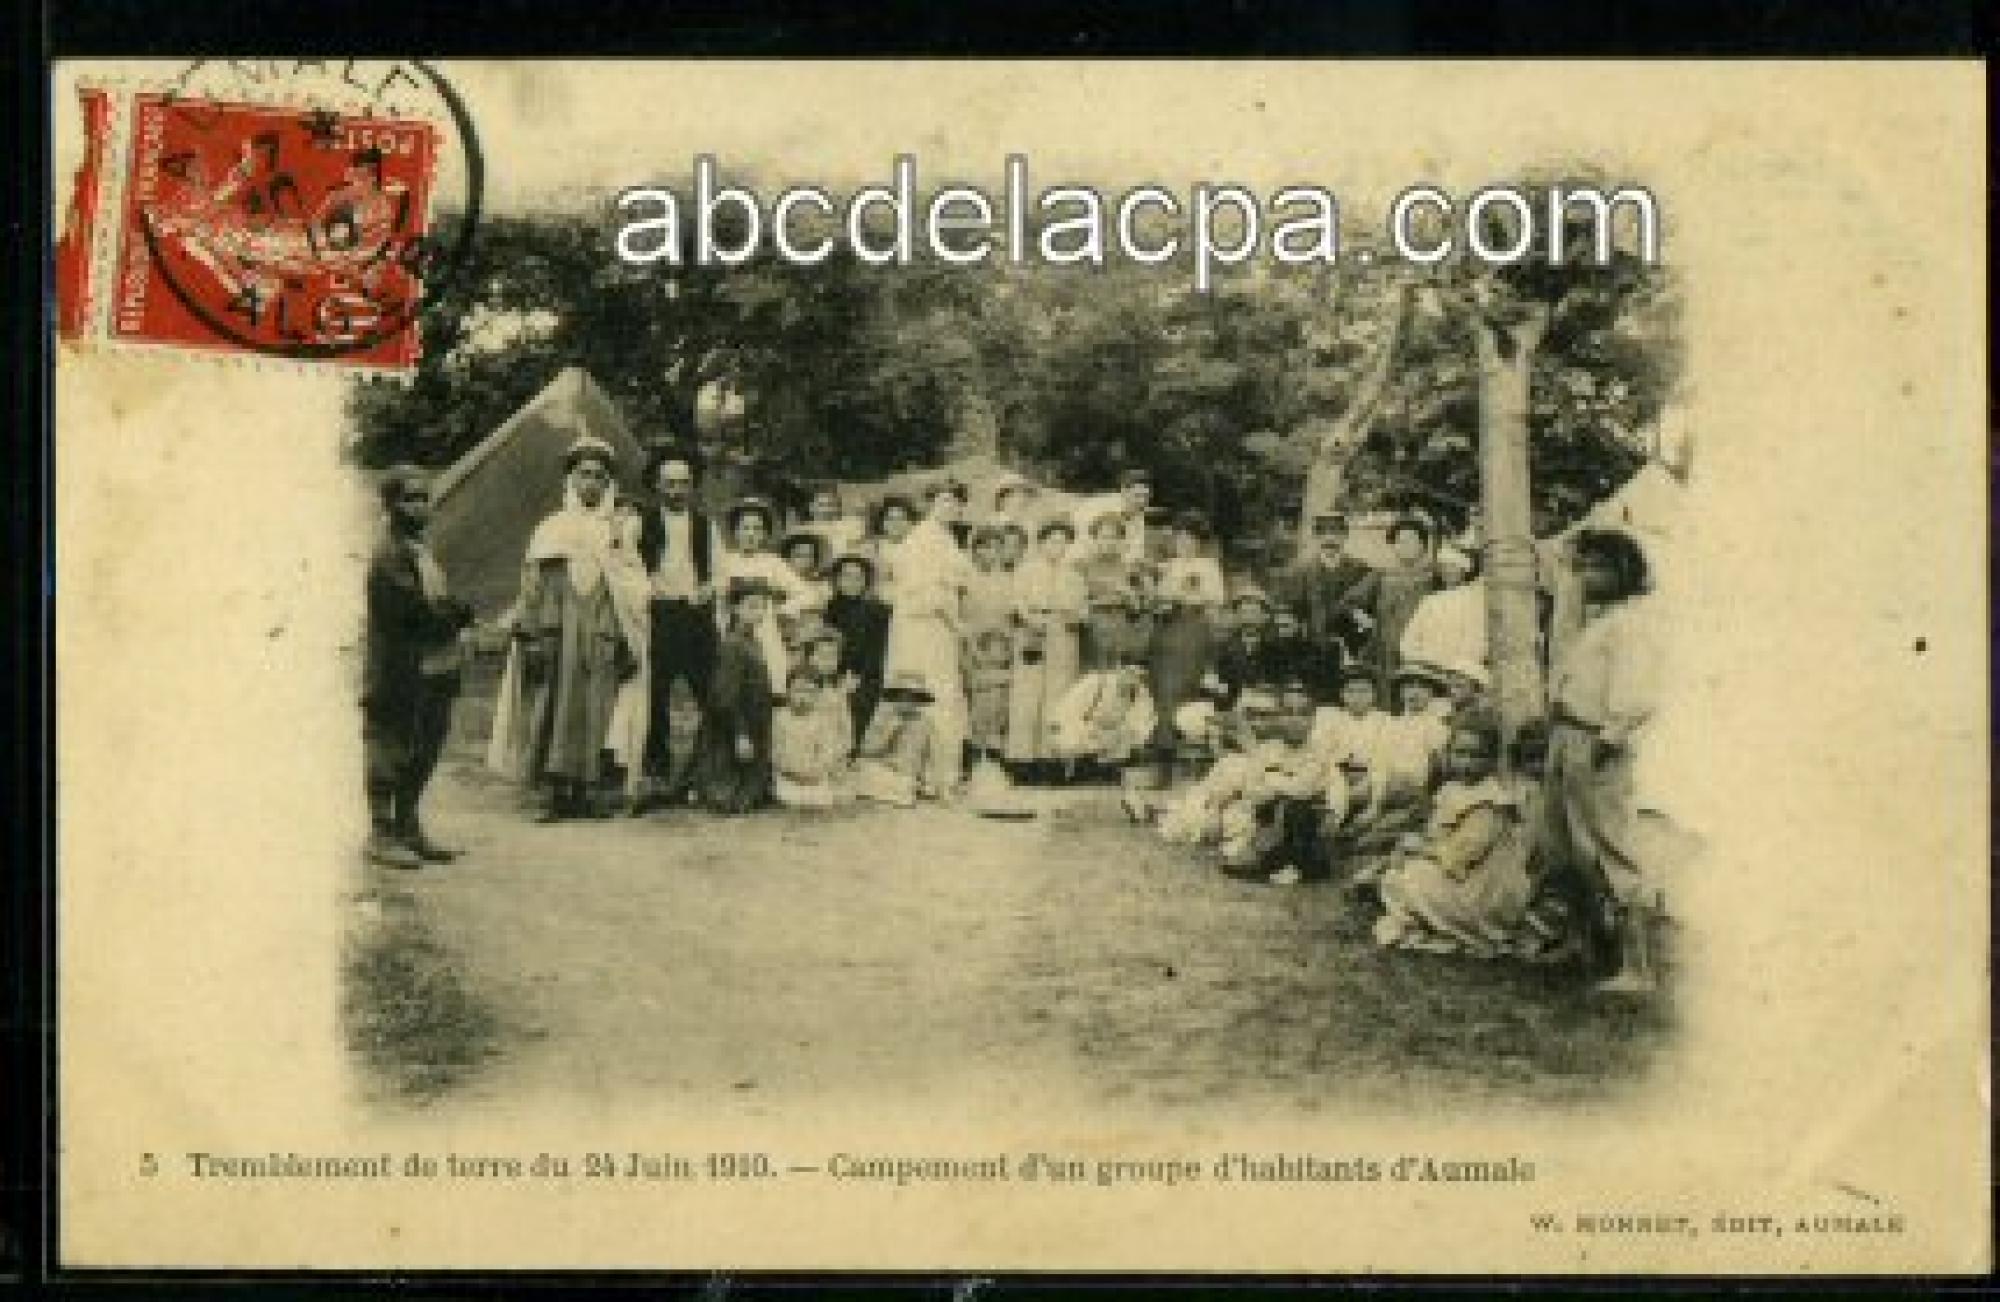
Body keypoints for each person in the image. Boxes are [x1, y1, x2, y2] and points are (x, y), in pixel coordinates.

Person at [487, 435, 652, 821]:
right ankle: (555, 794)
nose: (590, 483)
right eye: (584, 475)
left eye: (598, 476)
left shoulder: (619, 530)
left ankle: (586, 792)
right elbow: (534, 584)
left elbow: (631, 579)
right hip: (558, 626)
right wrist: (534, 631)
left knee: (598, 710)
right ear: (571, 480)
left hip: (602, 628)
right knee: (556, 708)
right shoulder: (552, 528)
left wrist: (627, 628)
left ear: (609, 482)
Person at [1546, 526, 1665, 995]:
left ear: (1623, 573)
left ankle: (1639, 967)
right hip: (1568, 735)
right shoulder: (1594, 622)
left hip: (1596, 741)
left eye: (1597, 567)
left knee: (1611, 847)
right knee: (1565, 847)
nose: (1584, 575)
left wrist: (1608, 739)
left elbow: (1637, 697)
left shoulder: (1632, 624)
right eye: (1583, 566)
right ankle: (1585, 946)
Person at [362, 466, 475, 869]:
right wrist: (459, 615)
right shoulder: (389, 553)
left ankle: (408, 825)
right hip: (400, 666)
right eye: (411, 498)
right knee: (391, 745)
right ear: (391, 504)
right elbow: (413, 613)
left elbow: (438, 601)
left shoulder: (418, 547)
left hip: (434, 665)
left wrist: (453, 611)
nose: (421, 506)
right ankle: (381, 833)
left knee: (427, 744)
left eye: (425, 498)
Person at [1372, 716, 1534, 956]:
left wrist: (1417, 851)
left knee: (1402, 877)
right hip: (1464, 876)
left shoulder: (1488, 802)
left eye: (1476, 756)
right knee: (1401, 865)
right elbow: (1438, 837)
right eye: (1460, 754)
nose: (1466, 763)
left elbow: (1460, 856)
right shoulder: (1454, 790)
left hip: (1483, 892)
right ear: (1449, 753)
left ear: (1491, 760)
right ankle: (1418, 911)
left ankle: (1457, 924)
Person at [632, 447, 719, 812]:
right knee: (655, 692)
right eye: (669, 483)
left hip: (696, 614)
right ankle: (657, 770)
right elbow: (629, 567)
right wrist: (648, 589)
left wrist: (707, 590)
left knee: (709, 691)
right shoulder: (641, 523)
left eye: (684, 483)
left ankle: (712, 766)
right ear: (656, 485)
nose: (677, 490)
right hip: (659, 614)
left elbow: (720, 571)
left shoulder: (705, 525)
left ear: (693, 486)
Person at [883, 480, 974, 796]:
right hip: (923, 625)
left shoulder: (946, 538)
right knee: (927, 692)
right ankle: (921, 774)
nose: (952, 507)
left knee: (943, 694)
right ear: (931, 503)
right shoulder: (922, 539)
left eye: (957, 502)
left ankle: (941, 774)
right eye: (945, 500)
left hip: (940, 626)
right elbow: (925, 592)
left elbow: (955, 583)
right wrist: (955, 622)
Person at [686, 576, 780, 814]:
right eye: (752, 606)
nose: (758, 612)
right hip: (733, 724)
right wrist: (740, 734)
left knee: (756, 791)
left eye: (762, 607)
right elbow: (725, 695)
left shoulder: (753, 641)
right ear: (736, 608)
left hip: (754, 719)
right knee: (729, 798)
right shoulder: (732, 644)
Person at [1004, 518, 1087, 776]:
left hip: (1062, 634)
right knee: (1027, 695)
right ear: (1041, 544)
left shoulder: (1074, 575)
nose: (1058, 547)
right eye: (1052, 541)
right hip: (1033, 632)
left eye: (1063, 542)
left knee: (1057, 695)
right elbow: (1016, 601)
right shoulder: (1026, 571)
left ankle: (1051, 761)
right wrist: (1031, 619)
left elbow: (1084, 609)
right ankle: (1021, 762)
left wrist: (1077, 617)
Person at [1145, 510, 1227, 759]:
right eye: (1180, 539)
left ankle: (1186, 748)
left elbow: (1216, 598)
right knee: (1162, 686)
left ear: (1199, 543)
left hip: (1193, 627)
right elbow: (1157, 598)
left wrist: (1183, 597)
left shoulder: (1208, 566)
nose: (1184, 545)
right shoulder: (1169, 566)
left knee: (1187, 684)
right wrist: (1159, 598)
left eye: (1190, 540)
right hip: (1166, 628)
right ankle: (1162, 748)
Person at [713, 496, 814, 695]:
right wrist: (720, 626)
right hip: (732, 634)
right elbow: (718, 599)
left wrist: (779, 611)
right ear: (735, 531)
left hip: (765, 633)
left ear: (765, 533)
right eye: (745, 527)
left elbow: (807, 594)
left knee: (768, 687)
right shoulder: (724, 561)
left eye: (757, 528)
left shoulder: (772, 563)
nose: (750, 534)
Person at [1281, 512, 1380, 669]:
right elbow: (1292, 612)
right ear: (1316, 537)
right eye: (1323, 533)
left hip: (1352, 648)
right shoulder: (1301, 572)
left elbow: (1372, 611)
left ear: (1344, 536)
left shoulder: (1361, 570)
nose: (1329, 539)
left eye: (1335, 533)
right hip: (1313, 650)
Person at [821, 553, 891, 745]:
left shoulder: (878, 610)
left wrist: (857, 676)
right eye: (846, 576)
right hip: (835, 671)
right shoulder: (831, 607)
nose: (851, 582)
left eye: (857, 577)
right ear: (837, 579)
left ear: (865, 581)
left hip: (866, 675)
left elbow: (878, 649)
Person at [1369, 515, 1442, 688]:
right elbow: (1350, 604)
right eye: (1399, 541)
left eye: (1411, 541)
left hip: (1424, 649)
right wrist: (1365, 620)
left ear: (1423, 546)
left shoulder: (1435, 578)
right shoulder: (1382, 576)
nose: (1405, 546)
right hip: (1388, 650)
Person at [852, 671, 940, 806]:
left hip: (905, 778)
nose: (906, 702)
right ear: (895, 698)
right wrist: (890, 730)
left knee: (904, 786)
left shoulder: (925, 724)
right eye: (902, 697)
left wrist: (928, 783)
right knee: (864, 769)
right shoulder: (883, 717)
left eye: (912, 698)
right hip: (882, 771)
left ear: (918, 700)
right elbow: (867, 749)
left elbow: (931, 758)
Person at [1400, 547, 1487, 682]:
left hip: (1459, 673)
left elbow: (1475, 639)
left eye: (1453, 566)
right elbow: (1410, 638)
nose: (1448, 571)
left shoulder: (1474, 598)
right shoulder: (1429, 601)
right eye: (1444, 567)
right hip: (1426, 671)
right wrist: (1421, 663)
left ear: (1464, 570)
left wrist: (1456, 669)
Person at [1075, 513, 1147, 672]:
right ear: (1095, 538)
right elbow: (1076, 602)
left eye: (1114, 537)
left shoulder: (1128, 568)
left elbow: (1138, 608)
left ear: (1121, 541)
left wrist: (1130, 596)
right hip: (1092, 628)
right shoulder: (1082, 566)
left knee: (1116, 678)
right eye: (1104, 537)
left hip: (1120, 627)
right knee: (1092, 679)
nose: (1109, 542)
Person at [772, 668, 853, 808]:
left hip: (815, 778)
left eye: (809, 692)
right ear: (788, 692)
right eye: (798, 691)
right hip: (789, 778)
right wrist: (791, 771)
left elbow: (826, 752)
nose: (802, 697)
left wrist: (814, 772)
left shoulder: (821, 720)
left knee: (820, 799)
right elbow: (776, 751)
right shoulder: (780, 718)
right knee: (789, 797)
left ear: (817, 695)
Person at [1070, 467, 1154, 563]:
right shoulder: (1098, 505)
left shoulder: (1138, 518)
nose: (1142, 502)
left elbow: (1136, 551)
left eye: (1146, 497)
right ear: (1124, 491)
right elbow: (1080, 535)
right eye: (1137, 496)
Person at [864, 493, 918, 606]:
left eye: (902, 519)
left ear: (911, 523)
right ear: (883, 523)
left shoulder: (919, 548)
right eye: (891, 519)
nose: (896, 524)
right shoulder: (873, 548)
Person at [777, 529, 831, 631]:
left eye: (808, 556)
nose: (804, 561)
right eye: (799, 556)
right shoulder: (778, 584)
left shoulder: (822, 586)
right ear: (788, 558)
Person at [802, 482, 863, 556]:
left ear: (837, 507)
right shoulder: (805, 530)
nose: (825, 509)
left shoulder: (847, 527)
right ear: (811, 507)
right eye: (821, 505)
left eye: (830, 505)